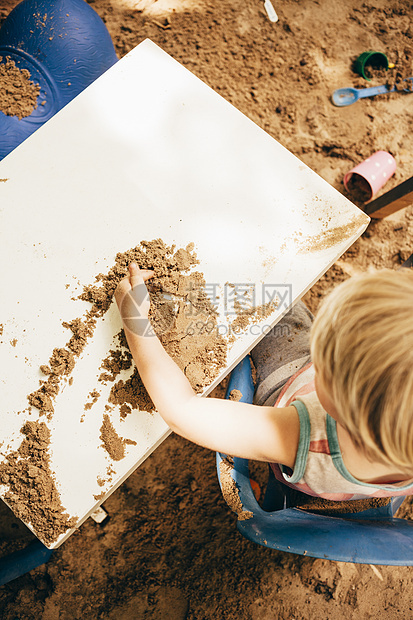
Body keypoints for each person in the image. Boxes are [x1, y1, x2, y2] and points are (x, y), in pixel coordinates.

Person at [115, 263, 413, 501]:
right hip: (355, 480)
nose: (319, 361)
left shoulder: (302, 438)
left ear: (340, 404)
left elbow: (181, 410)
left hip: (291, 394)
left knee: (265, 299)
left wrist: (136, 322)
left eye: (324, 364)